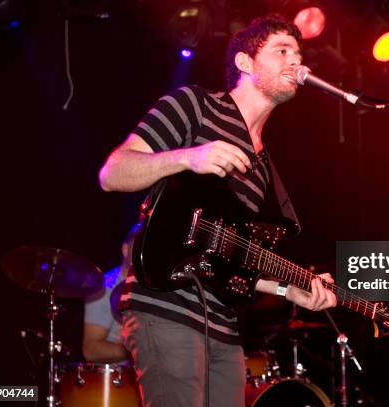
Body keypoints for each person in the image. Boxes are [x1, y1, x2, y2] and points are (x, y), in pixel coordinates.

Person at [98, 14, 337, 407]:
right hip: (166, 305)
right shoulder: (195, 105)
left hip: (224, 327)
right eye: (282, 50)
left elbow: (227, 257)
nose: (297, 61)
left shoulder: (264, 168)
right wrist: (189, 157)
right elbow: (113, 172)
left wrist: (286, 287)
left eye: (299, 52)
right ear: (245, 63)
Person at [82, 225, 137, 363]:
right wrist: (138, 351)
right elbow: (91, 349)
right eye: (139, 247)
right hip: (117, 380)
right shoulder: (105, 287)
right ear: (126, 250)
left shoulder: (148, 287)